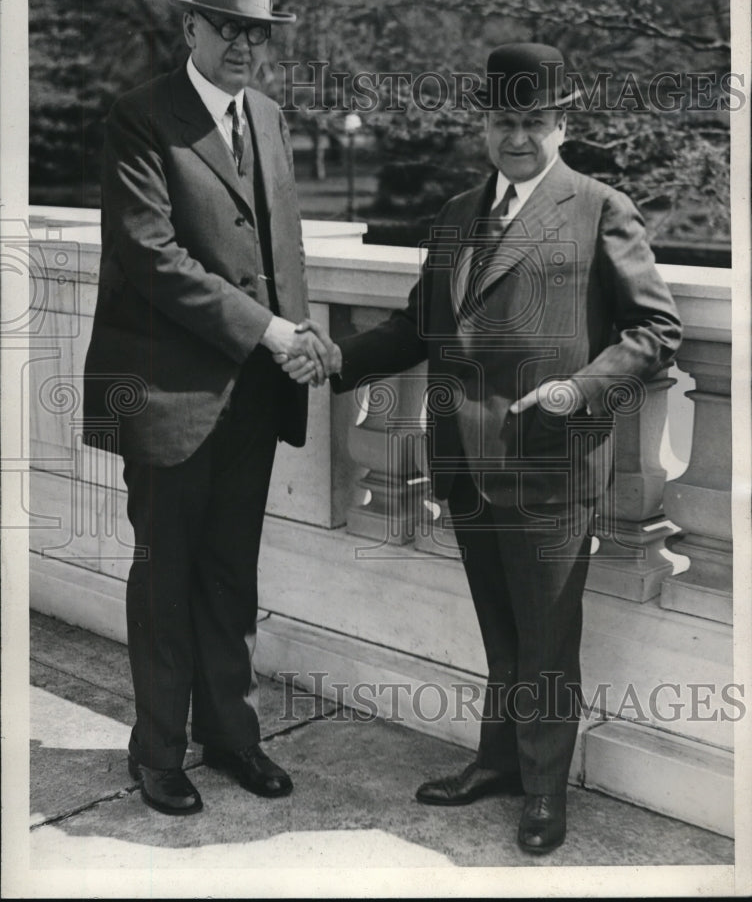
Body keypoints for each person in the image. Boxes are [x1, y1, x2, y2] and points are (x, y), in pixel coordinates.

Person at [281, 42, 682, 854]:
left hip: (550, 458)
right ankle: (498, 764)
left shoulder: (601, 206)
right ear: (484, 124)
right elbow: (419, 324)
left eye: (535, 122)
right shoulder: (459, 212)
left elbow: (656, 330)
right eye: (504, 121)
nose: (519, 138)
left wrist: (578, 390)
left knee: (546, 638)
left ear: (561, 123)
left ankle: (543, 793)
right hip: (462, 461)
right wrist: (337, 356)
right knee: (502, 631)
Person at [83, 0, 338, 816]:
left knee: (232, 577)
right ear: (189, 24)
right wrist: (267, 329)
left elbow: (284, 250)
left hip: (254, 397)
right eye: (226, 25)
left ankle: (233, 738)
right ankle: (157, 753)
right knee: (164, 579)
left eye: (255, 31)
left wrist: (299, 341)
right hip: (165, 398)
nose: (241, 43)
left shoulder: (265, 115)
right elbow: (152, 259)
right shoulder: (137, 119)